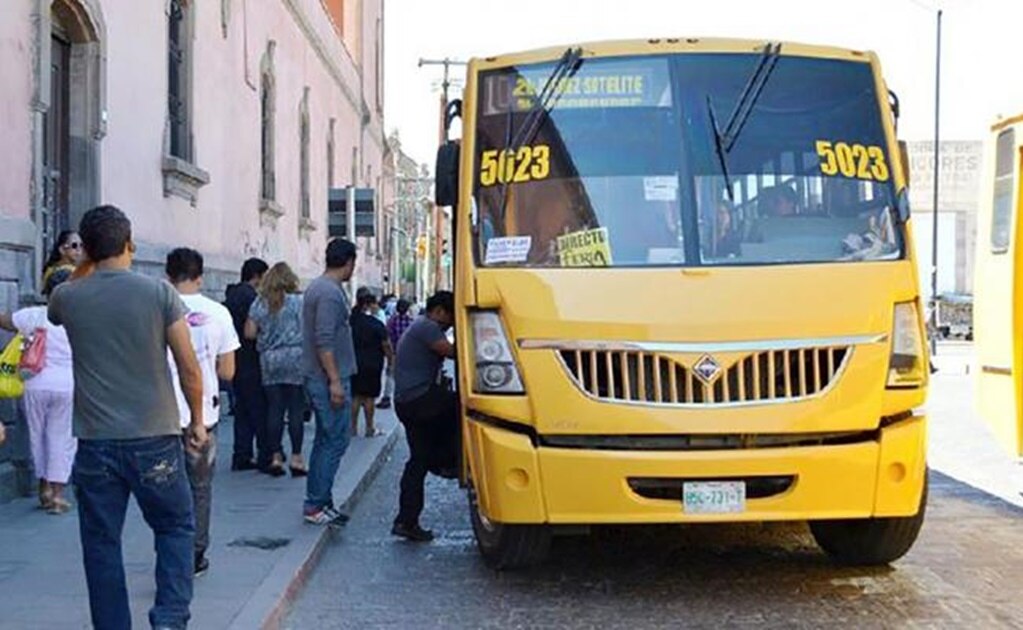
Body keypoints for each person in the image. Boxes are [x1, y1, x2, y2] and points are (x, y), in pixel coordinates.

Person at [49, 205, 207, 630]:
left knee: (101, 544)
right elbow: (188, 365)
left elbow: (55, 306)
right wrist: (195, 420)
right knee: (175, 527)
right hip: (154, 437)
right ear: (130, 243)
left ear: (86, 250)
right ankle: (170, 621)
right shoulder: (158, 293)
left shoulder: (68, 295)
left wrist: (86, 262)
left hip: (96, 443)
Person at [165, 248, 240, 578]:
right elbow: (227, 372)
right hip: (203, 415)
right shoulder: (218, 313)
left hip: (162, 412)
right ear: (201, 276)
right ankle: (196, 553)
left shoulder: (157, 309)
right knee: (200, 487)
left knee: (165, 488)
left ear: (168, 276)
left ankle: (168, 552)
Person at [0, 273, 76, 514]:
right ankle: (57, 494)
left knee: (37, 436)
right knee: (61, 438)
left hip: (34, 382)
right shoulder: (79, 319)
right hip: (68, 385)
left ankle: (42, 487)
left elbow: (5, 321)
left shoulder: (32, 316)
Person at [392, 291, 457, 542]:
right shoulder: (428, 327)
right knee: (461, 406)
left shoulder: (420, 325)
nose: (449, 325)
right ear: (439, 311)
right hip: (418, 399)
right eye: (451, 318)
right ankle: (450, 460)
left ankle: (406, 520)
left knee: (417, 461)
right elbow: (453, 353)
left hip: (408, 401)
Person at [302, 239, 358, 525]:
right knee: (335, 439)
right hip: (327, 378)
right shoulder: (329, 294)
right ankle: (316, 503)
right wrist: (335, 381)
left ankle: (319, 501)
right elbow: (324, 340)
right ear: (348, 261)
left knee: (327, 439)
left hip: (324, 376)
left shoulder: (323, 289)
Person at [246, 262, 307, 477]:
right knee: (296, 410)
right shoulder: (299, 302)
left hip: (270, 359)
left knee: (275, 410)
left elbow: (250, 333)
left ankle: (275, 457)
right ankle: (297, 458)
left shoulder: (260, 302)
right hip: (295, 357)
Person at [224, 258, 269, 471]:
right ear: (257, 276)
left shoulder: (232, 295)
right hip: (251, 358)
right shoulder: (252, 298)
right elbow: (256, 328)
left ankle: (241, 454)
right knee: (259, 408)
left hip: (234, 358)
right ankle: (264, 453)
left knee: (242, 409)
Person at [350, 291, 394, 438]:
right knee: (369, 397)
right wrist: (391, 361)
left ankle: (353, 428)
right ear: (368, 305)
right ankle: (369, 428)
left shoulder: (351, 321)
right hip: (373, 363)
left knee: (355, 396)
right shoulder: (376, 324)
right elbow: (386, 344)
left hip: (354, 362)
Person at [380, 298, 413, 409]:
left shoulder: (392, 321)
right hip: (407, 353)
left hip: (394, 352)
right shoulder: (411, 321)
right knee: (406, 375)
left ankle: (387, 398)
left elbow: (387, 337)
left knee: (390, 375)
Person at [41, 230, 83, 297]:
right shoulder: (62, 274)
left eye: (81, 245)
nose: (79, 249)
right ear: (62, 250)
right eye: (74, 245)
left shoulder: (55, 269)